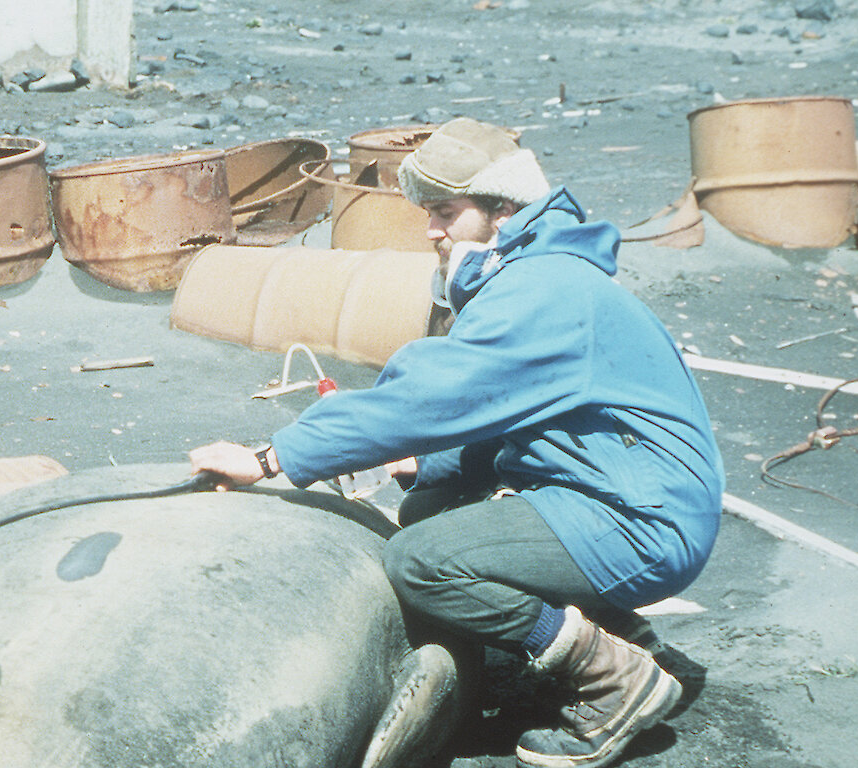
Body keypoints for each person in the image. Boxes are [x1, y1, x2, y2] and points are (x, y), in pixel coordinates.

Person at [188, 117, 723, 768]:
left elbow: (431, 394)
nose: (432, 231)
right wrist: (427, 459)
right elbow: (499, 409)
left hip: (643, 518)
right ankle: (626, 635)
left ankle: (612, 676)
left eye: (445, 213)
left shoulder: (539, 290)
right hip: (625, 485)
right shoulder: (538, 270)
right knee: (430, 502)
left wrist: (271, 458)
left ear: (501, 211)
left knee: (421, 560)